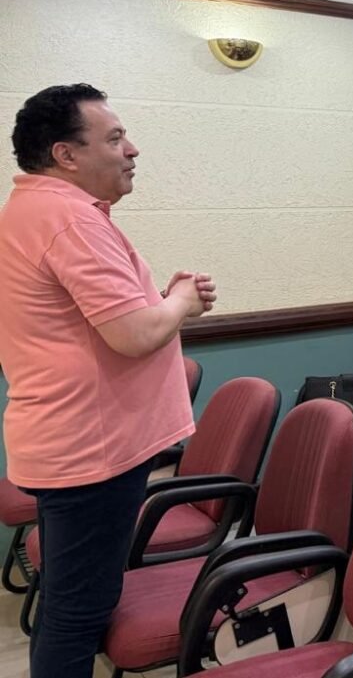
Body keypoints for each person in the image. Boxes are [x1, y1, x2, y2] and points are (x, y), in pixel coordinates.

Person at [0, 84, 216, 678]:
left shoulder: (32, 211)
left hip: (76, 440)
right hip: (92, 450)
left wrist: (164, 300)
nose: (132, 150)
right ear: (66, 155)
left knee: (71, 602)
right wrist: (180, 301)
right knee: (78, 610)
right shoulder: (68, 219)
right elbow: (134, 333)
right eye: (115, 138)